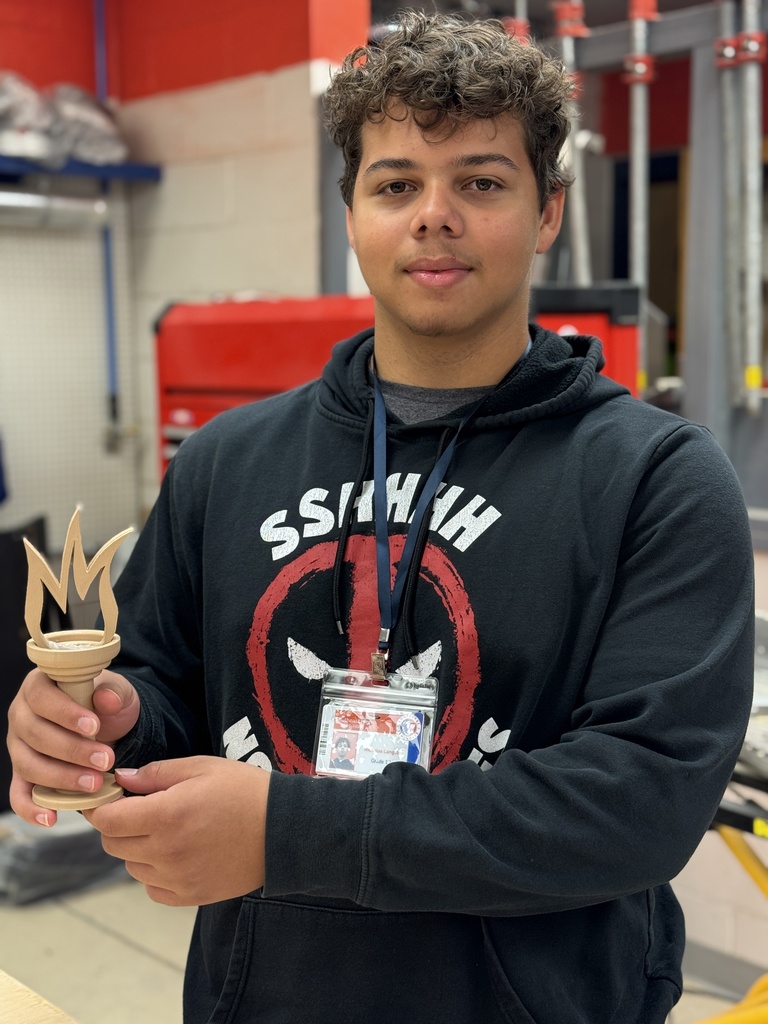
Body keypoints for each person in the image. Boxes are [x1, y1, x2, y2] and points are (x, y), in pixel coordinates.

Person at [6, 11, 755, 1024]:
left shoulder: (656, 478)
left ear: (547, 212)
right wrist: (103, 726)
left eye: (482, 182)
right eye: (396, 183)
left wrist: (285, 830)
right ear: (355, 211)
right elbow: (165, 686)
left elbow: (637, 802)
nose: (433, 215)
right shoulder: (229, 459)